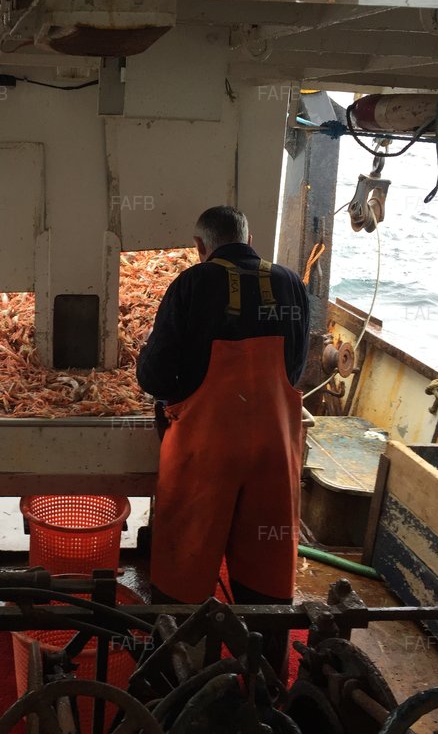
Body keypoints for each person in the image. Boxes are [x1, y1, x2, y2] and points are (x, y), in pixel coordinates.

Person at [136, 205, 309, 677]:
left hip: (205, 451)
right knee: (267, 565)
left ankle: (179, 678)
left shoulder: (192, 283)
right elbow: (296, 369)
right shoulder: (291, 283)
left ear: (200, 246)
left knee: (186, 561)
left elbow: (154, 376)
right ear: (249, 239)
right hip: (274, 448)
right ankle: (265, 681)